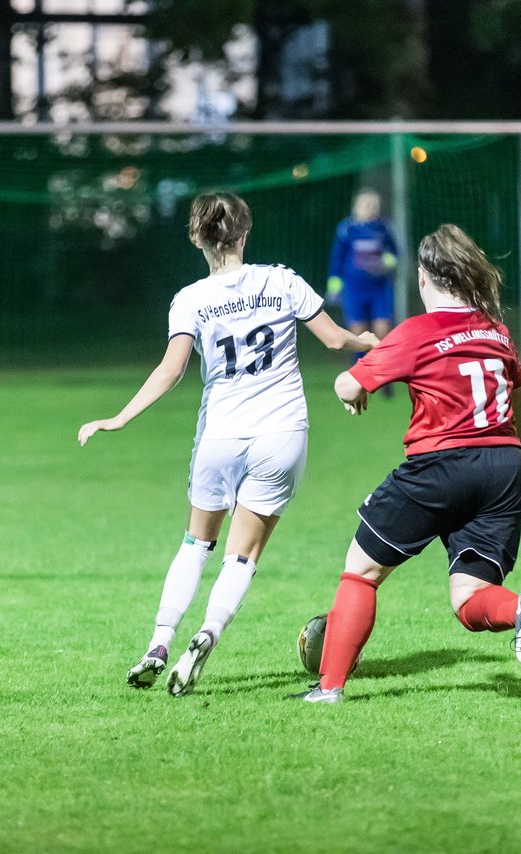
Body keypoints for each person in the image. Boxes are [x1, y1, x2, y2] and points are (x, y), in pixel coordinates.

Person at [78, 192, 377, 697]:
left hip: (221, 434)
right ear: (244, 232)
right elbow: (331, 340)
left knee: (196, 544)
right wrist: (365, 342)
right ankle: (207, 635)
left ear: (198, 237)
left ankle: (158, 643)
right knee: (243, 556)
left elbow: (171, 370)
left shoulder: (191, 297)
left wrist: (120, 417)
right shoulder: (281, 280)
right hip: (281, 434)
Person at [293, 224, 521, 705]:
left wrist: (357, 391)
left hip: (442, 466)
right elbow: (520, 391)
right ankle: (518, 613)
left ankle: (328, 689)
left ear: (424, 278)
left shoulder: (418, 332)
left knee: (361, 571)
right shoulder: (494, 331)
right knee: (470, 597)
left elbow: (346, 385)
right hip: (505, 467)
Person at [326, 189, 400, 353]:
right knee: (357, 335)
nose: (371, 208)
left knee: (382, 331)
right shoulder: (346, 229)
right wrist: (334, 285)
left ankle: (384, 375)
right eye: (367, 204)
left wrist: (386, 262)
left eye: (375, 205)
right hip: (354, 289)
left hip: (379, 288)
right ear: (356, 206)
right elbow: (337, 259)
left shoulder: (383, 227)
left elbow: (394, 252)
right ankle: (359, 371)